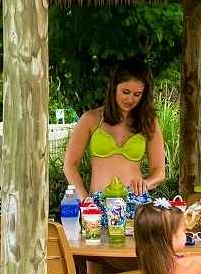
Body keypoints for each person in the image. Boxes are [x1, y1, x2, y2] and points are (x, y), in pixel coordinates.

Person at [62, 58, 166, 195]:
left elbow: (159, 171)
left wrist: (146, 183)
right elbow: (69, 165)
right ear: (114, 87)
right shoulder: (91, 119)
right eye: (126, 92)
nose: (130, 99)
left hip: (136, 204)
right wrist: (84, 200)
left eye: (137, 94)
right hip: (99, 206)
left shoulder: (148, 121)